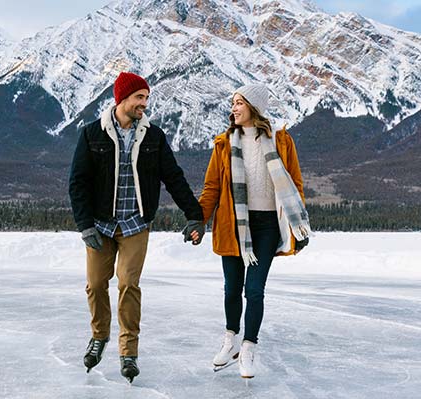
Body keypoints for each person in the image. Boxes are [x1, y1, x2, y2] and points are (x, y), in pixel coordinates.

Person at [69, 71, 205, 383]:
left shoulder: (154, 137)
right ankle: (99, 335)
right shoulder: (92, 134)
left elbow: (174, 177)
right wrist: (85, 225)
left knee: (128, 284)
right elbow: (77, 182)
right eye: (139, 98)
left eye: (146, 98)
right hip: (100, 226)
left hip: (135, 224)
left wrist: (194, 215)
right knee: (95, 284)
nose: (144, 103)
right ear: (122, 99)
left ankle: (128, 351)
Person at [196, 84, 310, 378]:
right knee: (232, 288)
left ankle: (248, 347)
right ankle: (230, 340)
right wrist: (199, 220)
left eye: (239, 103)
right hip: (232, 226)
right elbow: (212, 188)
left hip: (268, 226)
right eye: (233, 103)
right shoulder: (223, 144)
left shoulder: (281, 141)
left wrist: (299, 225)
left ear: (254, 107)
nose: (233, 108)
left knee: (254, 289)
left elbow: (294, 184)